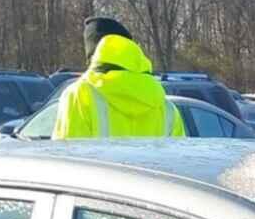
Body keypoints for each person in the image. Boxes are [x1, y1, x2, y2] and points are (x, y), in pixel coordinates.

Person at [52, 16, 184, 139]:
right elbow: (178, 161)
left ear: (94, 57)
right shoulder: (166, 108)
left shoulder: (79, 96)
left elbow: (65, 157)